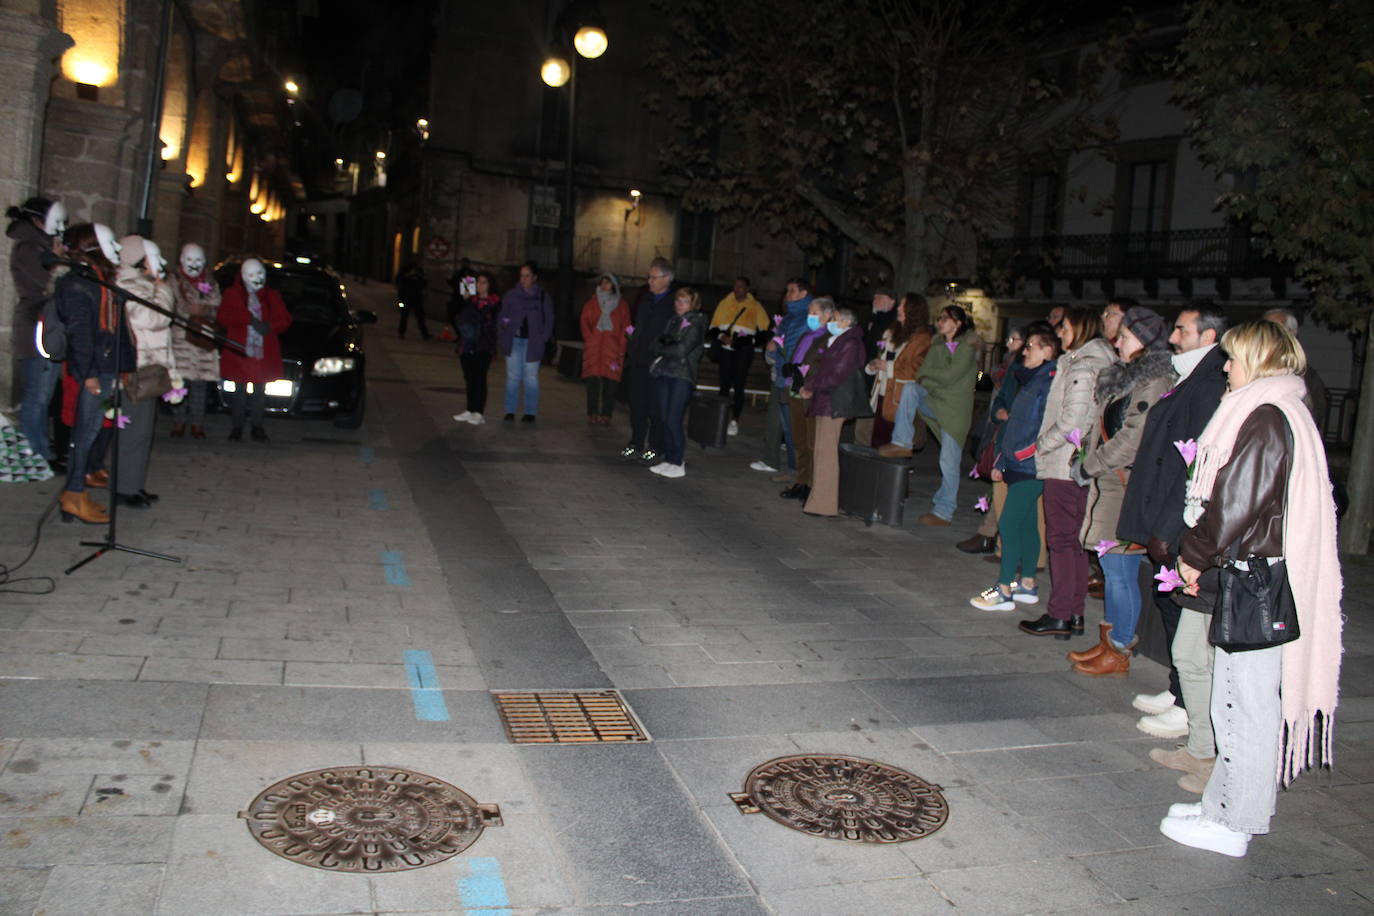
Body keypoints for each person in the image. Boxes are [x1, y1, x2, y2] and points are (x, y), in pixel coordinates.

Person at [1160, 320, 1343, 858]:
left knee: (1244, 705)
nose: (1225, 367)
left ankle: (1234, 822)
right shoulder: (1280, 409)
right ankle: (1225, 804)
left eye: (1234, 358)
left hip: (1256, 577)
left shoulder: (1265, 418)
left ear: (1258, 361)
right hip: (1260, 572)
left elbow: (1237, 502)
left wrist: (1194, 554)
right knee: (1238, 699)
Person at [1117, 302, 1228, 748]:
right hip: (1161, 509)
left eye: (1182, 330)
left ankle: (1188, 702)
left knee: (1183, 611)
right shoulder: (1191, 376)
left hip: (1175, 517)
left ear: (1207, 337)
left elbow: (1192, 465)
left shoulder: (1208, 383)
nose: (1173, 337)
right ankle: (1179, 687)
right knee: (1169, 606)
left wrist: (1166, 526)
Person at [1068, 307, 1176, 673]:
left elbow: (1133, 438)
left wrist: (1089, 465)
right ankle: (1109, 642)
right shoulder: (1126, 378)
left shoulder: (1153, 381)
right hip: (1111, 485)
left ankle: (1119, 648)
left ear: (1145, 343)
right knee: (1113, 567)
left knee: (1119, 571)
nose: (1118, 341)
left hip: (1127, 485)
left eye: (1126, 336)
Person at [1018, 306, 1116, 639]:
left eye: (1065, 327)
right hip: (1075, 461)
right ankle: (1073, 613)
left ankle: (1059, 613)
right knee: (1073, 542)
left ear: (1079, 327)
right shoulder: (1091, 360)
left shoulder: (1084, 364)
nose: (1059, 333)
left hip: (1064, 461)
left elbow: (1074, 418)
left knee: (1061, 541)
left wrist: (1041, 445)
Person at [968, 327, 1059, 611]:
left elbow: (1046, 427)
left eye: (1031, 346)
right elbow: (1014, 424)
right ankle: (1028, 583)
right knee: (1028, 524)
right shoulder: (1030, 380)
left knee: (1008, 522)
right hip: (1019, 461)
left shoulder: (1048, 384)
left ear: (1048, 352)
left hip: (1032, 464)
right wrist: (1002, 460)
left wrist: (1021, 455)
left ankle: (1005, 588)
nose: (1025, 351)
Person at [56, 223, 133, 524]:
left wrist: (120, 367)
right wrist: (87, 374)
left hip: (105, 368)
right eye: (110, 243)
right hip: (93, 371)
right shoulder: (78, 284)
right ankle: (73, 494)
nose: (116, 249)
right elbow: (81, 335)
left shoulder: (98, 280)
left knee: (94, 430)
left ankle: (76, 494)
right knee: (85, 433)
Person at [879, 304, 980, 526]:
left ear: (958, 323)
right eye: (940, 317)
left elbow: (950, 376)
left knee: (949, 461)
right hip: (936, 402)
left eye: (946, 318)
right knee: (910, 389)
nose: (940, 322)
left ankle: (944, 511)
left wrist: (930, 379)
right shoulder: (937, 344)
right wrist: (931, 379)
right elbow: (921, 373)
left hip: (954, 412)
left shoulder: (966, 348)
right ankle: (902, 441)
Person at [112, 236, 176, 508]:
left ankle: (133, 483)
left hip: (148, 369)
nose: (160, 264)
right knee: (132, 432)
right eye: (154, 257)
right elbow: (155, 317)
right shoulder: (128, 284)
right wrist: (163, 289)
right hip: (135, 370)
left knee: (142, 431)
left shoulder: (142, 284)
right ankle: (124, 488)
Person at [7, 197, 66, 470]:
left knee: (44, 393)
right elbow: (46, 285)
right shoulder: (29, 249)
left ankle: (42, 449)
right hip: (36, 325)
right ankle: (35, 454)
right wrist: (59, 263)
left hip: (47, 324)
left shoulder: (41, 246)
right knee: (37, 394)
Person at [958, 324, 1026, 554]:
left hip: (1020, 437)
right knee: (999, 487)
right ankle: (989, 535)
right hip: (1001, 429)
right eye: (1009, 339)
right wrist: (999, 410)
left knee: (1007, 489)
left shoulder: (1030, 370)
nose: (1009, 344)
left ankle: (996, 540)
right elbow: (1002, 397)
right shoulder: (1010, 367)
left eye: (1015, 340)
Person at [801, 306, 870, 516]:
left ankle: (825, 503)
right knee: (822, 452)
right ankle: (818, 500)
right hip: (827, 400)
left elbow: (836, 374)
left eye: (836, 319)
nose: (831, 322)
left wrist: (811, 385)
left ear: (847, 322)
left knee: (827, 453)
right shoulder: (840, 341)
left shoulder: (850, 343)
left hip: (835, 401)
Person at [219, 258, 292, 442]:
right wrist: (247, 318)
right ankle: (237, 427)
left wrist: (270, 326)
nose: (257, 279)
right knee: (239, 392)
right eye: (251, 275)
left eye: (260, 274)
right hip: (241, 352)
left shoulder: (271, 295)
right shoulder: (233, 294)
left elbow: (284, 319)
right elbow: (224, 317)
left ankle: (257, 426)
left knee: (260, 392)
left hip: (262, 354)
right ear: (243, 277)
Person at [751, 278, 811, 477]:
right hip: (781, 373)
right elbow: (780, 341)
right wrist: (772, 352)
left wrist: (774, 350)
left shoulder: (804, 317)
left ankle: (797, 471)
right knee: (777, 421)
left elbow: (791, 346)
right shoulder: (790, 316)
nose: (788, 295)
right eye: (787, 291)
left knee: (792, 426)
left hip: (790, 376)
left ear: (803, 293)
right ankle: (774, 461)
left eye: (792, 291)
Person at [778, 296, 835, 501]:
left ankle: (812, 484)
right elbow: (797, 358)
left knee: (812, 442)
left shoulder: (829, 338)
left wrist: (809, 380)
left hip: (811, 394)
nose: (809, 317)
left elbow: (825, 366)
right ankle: (801, 481)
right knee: (799, 440)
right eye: (809, 313)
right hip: (795, 390)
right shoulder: (807, 335)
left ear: (827, 315)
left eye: (814, 313)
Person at [648, 287, 707, 478]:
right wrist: (665, 346)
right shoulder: (673, 321)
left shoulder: (696, 324)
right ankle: (668, 459)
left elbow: (682, 350)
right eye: (677, 301)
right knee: (664, 418)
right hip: (665, 372)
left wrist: (665, 346)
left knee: (674, 418)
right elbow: (655, 344)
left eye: (684, 301)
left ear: (693, 304)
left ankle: (677, 461)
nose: (678, 305)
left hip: (682, 375)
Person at [623, 257, 676, 462]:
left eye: (654, 277)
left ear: (666, 279)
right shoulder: (645, 300)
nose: (650, 281)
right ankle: (635, 442)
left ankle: (655, 446)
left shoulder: (672, 304)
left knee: (656, 408)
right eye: (649, 277)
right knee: (637, 405)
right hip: (638, 360)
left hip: (658, 364)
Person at [866, 293, 933, 453]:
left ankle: (893, 477)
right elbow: (882, 355)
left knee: (894, 443)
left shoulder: (922, 338)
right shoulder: (891, 331)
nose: (899, 308)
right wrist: (875, 365)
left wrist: (888, 367)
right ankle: (878, 476)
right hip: (882, 391)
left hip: (900, 396)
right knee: (878, 441)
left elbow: (917, 369)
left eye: (903, 305)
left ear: (914, 310)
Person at [168, 243, 221, 439]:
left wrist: (205, 310)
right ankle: (179, 421)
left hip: (203, 340)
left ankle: (197, 424)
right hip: (182, 338)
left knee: (200, 385)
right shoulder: (174, 281)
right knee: (180, 383)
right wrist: (186, 311)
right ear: (181, 260)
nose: (194, 264)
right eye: (189, 260)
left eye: (198, 260)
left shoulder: (211, 282)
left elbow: (217, 304)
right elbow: (169, 304)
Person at [709, 276, 770, 435]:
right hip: (725, 349)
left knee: (738, 385)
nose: (737, 290)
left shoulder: (755, 306)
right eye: (735, 286)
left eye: (741, 286)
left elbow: (764, 331)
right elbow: (713, 327)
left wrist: (747, 341)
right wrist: (722, 337)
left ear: (747, 289)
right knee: (724, 385)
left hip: (743, 351)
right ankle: (720, 417)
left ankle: (734, 420)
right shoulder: (724, 303)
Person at [498, 261, 554, 422]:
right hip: (514, 340)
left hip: (533, 343)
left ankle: (530, 412)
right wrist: (505, 327)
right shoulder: (511, 295)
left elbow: (549, 319)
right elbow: (503, 315)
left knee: (531, 378)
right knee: (513, 377)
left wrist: (543, 337)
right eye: (521, 275)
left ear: (534, 277)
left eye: (527, 275)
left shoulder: (543, 296)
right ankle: (510, 410)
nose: (524, 279)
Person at [580, 272, 631, 425]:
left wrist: (622, 345)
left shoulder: (623, 306)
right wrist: (589, 339)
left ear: (615, 286)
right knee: (592, 382)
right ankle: (592, 413)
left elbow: (628, 328)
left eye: (608, 282)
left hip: (613, 350)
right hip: (594, 349)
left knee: (610, 384)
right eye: (602, 282)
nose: (604, 285)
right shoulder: (592, 303)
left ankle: (606, 414)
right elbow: (584, 322)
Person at [1263, 307, 1327, 424]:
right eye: (1265, 329)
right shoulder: (1252, 366)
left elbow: (1313, 415)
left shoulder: (1304, 374)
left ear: (1292, 333)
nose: (1268, 334)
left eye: (1275, 329)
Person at [453, 271, 501, 425]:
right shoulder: (470, 300)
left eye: (484, 282)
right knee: (469, 378)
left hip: (484, 345)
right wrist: (465, 299)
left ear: (490, 285)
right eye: (478, 282)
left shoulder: (495, 303)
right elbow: (457, 316)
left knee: (480, 378)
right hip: (467, 344)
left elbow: (492, 322)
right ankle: (470, 409)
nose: (480, 285)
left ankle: (479, 412)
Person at [395, 261, 430, 340]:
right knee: (404, 316)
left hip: (415, 297)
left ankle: (425, 334)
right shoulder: (405, 272)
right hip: (407, 298)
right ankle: (402, 332)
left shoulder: (418, 272)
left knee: (419, 316)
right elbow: (399, 282)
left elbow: (424, 283)